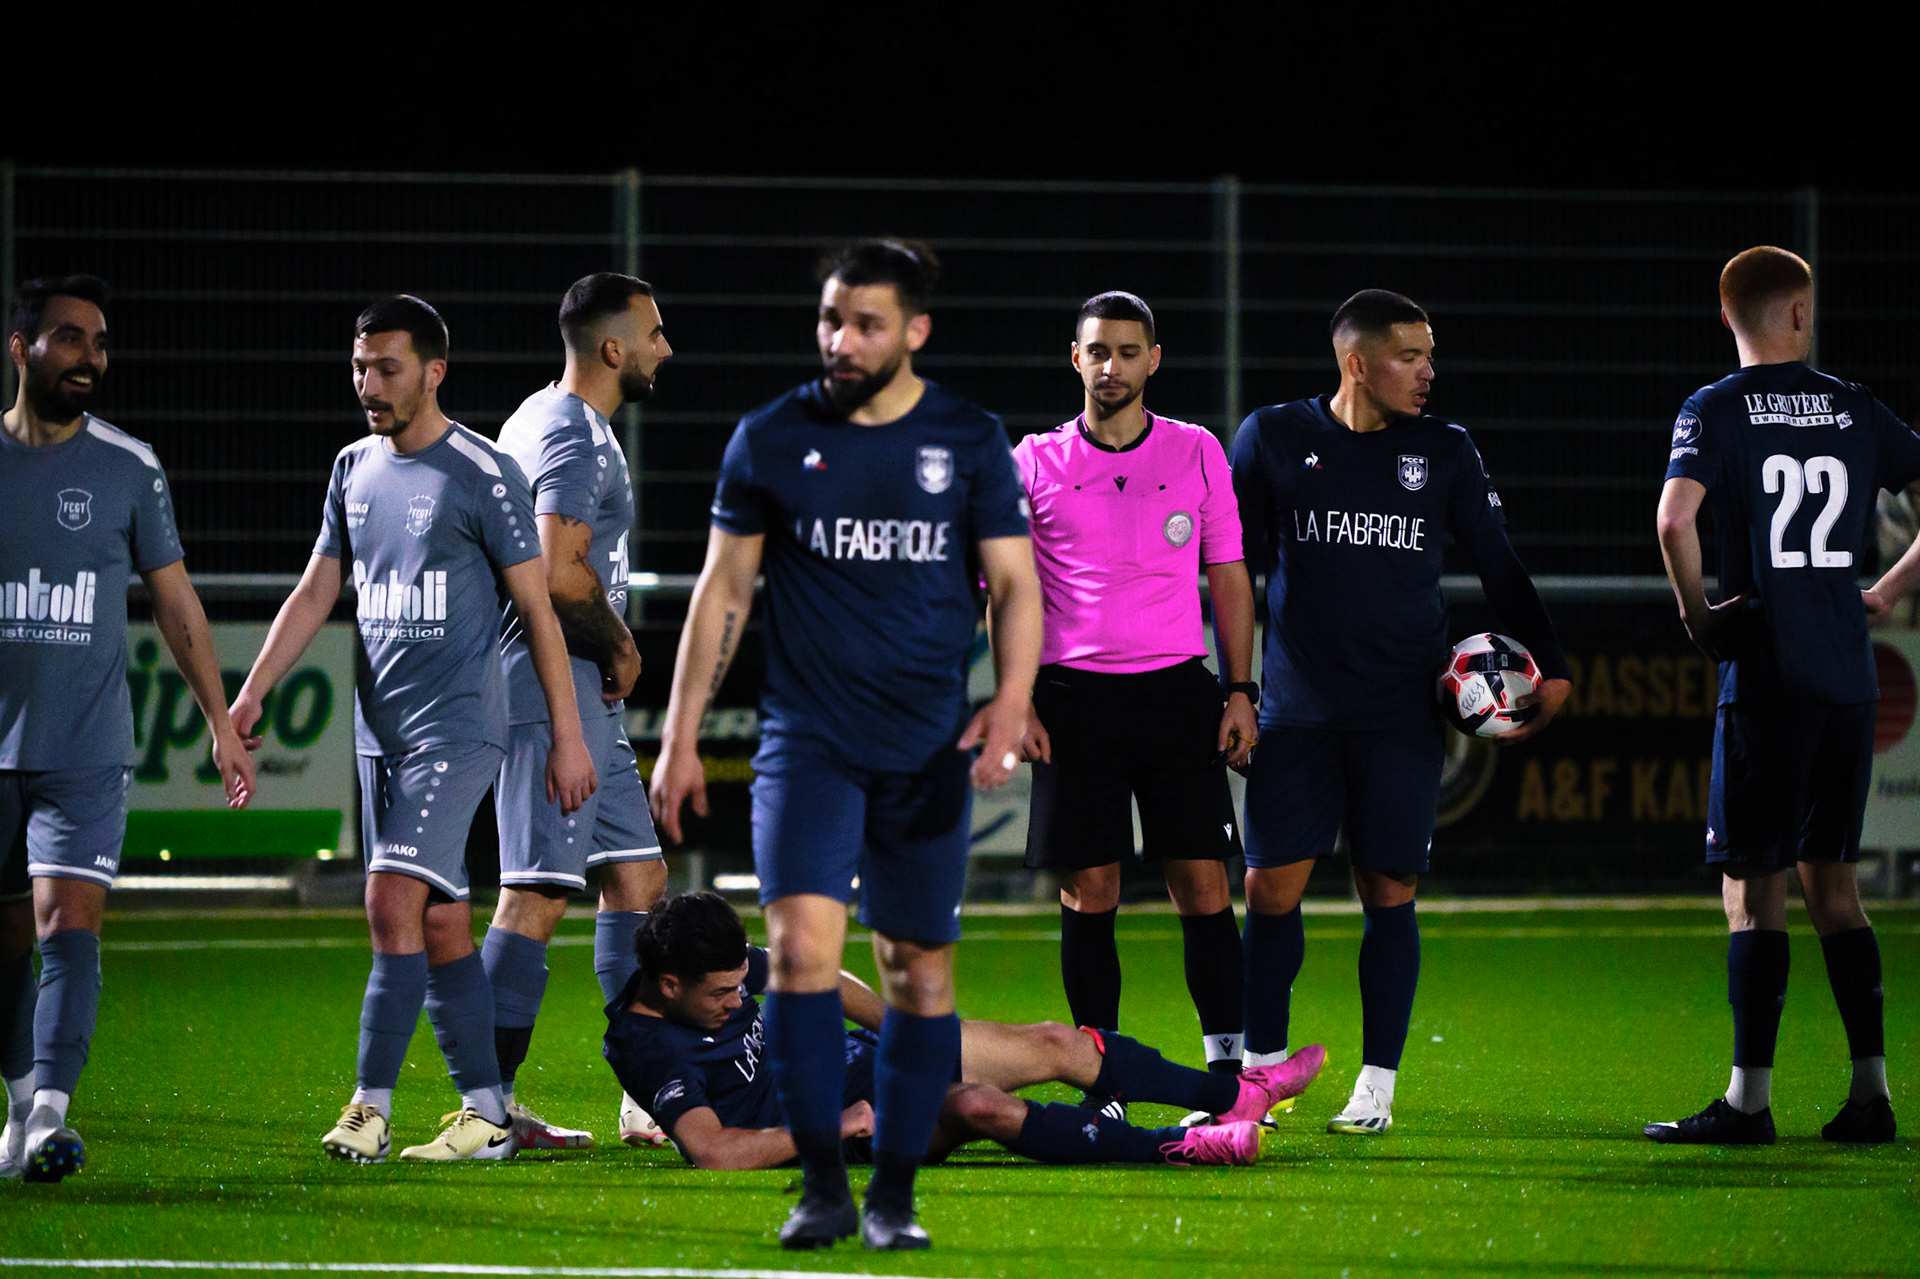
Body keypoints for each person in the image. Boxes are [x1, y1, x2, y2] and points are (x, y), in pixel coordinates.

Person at [649, 239, 1043, 1250]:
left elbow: (1016, 586)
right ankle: (823, 1185)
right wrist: (681, 734)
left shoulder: (968, 436)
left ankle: (896, 1195)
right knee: (796, 955)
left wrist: (1010, 703)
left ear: (914, 330)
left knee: (918, 974)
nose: (841, 338)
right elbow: (723, 589)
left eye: (865, 322)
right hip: (807, 743)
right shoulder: (773, 437)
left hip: (921, 753)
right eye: (831, 318)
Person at [229, 295, 596, 1163]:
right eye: (359, 366)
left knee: (389, 900)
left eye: (386, 368)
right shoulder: (352, 466)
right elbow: (318, 590)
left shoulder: (483, 471)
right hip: (378, 734)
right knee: (438, 925)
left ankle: (369, 1107)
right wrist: (253, 694)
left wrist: (568, 735)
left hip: (460, 730)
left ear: (434, 371)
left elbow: (539, 609)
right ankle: (485, 1115)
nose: (368, 384)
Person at [1230, 290, 1571, 1136]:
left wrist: (1553, 666)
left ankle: (1376, 1086)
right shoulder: (1273, 436)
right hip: (1298, 712)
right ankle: (1260, 1072)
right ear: (1357, 361)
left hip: (1402, 715)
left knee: (1390, 887)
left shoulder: (1446, 450)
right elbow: (1229, 567)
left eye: (1430, 355)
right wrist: (1232, 686)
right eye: (1411, 356)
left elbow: (1500, 564)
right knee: (1269, 887)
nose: (1428, 372)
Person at [1646, 245, 1915, 1146]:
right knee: (1834, 885)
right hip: (1847, 676)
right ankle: (1870, 1096)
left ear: (1730, 318)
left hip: (1765, 674)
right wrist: (1889, 588)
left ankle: (1749, 1102)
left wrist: (1699, 618)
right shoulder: (1854, 405)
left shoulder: (1714, 407)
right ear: (1799, 315)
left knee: (1752, 891)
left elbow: (1675, 519)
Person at [0, 275, 254, 1183]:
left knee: (69, 924)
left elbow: (176, 602)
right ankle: (24, 1101)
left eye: (100, 343)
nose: (89, 359)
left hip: (86, 746)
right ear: (20, 348)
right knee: (6, 948)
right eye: (69, 339)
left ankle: (50, 1118)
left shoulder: (128, 465)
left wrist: (219, 721)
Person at [603, 892, 1327, 1173]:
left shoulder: (704, 964)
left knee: (1056, 1041)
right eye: (723, 993)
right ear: (668, 986)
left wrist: (905, 1029)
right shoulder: (646, 1044)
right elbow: (714, 1151)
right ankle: (1183, 1148)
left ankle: (1236, 1093)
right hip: (838, 1121)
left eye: (740, 985)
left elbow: (812, 973)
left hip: (859, 1064)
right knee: (975, 1104)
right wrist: (836, 1122)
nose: (738, 999)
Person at [1013, 291, 1256, 1111]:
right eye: (1096, 351)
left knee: (1204, 883)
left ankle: (1227, 1078)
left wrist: (1240, 688)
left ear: (1155, 359)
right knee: (1090, 890)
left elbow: (1227, 575)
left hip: (1177, 693)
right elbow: (1007, 591)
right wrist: (1018, 700)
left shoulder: (1195, 452)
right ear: (1074, 359)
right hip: (1073, 699)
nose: (1110, 365)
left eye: (1127, 350)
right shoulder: (1034, 460)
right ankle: (1101, 1080)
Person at [486, 273, 673, 1152]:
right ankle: (485, 1110)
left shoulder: (538, 416)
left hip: (575, 694)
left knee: (637, 881)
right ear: (613, 348)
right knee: (534, 893)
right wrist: (623, 644)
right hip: (546, 688)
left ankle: (648, 1097)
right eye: (654, 334)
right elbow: (559, 571)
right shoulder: (574, 436)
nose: (664, 350)